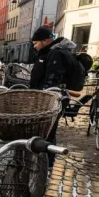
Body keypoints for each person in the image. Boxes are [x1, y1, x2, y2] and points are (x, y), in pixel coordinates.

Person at [29, 26, 78, 167]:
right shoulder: (48, 52)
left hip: (51, 99)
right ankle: (43, 159)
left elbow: (52, 80)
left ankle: (46, 164)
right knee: (46, 129)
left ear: (45, 40)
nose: (34, 46)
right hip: (46, 97)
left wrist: (45, 96)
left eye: (36, 43)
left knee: (48, 130)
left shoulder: (56, 54)